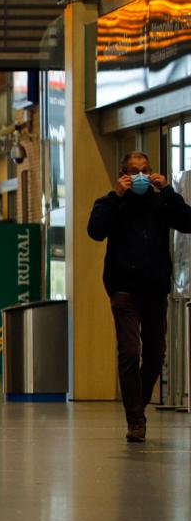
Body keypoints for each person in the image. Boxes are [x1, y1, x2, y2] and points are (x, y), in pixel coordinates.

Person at [88, 151, 191, 442]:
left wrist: (168, 190)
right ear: (123, 175)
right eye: (134, 171)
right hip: (124, 291)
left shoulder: (160, 203)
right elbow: (95, 231)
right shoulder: (110, 204)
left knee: (156, 355)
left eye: (145, 170)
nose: (141, 176)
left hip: (155, 290)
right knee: (130, 352)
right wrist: (116, 197)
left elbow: (187, 222)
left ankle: (137, 405)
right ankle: (136, 420)